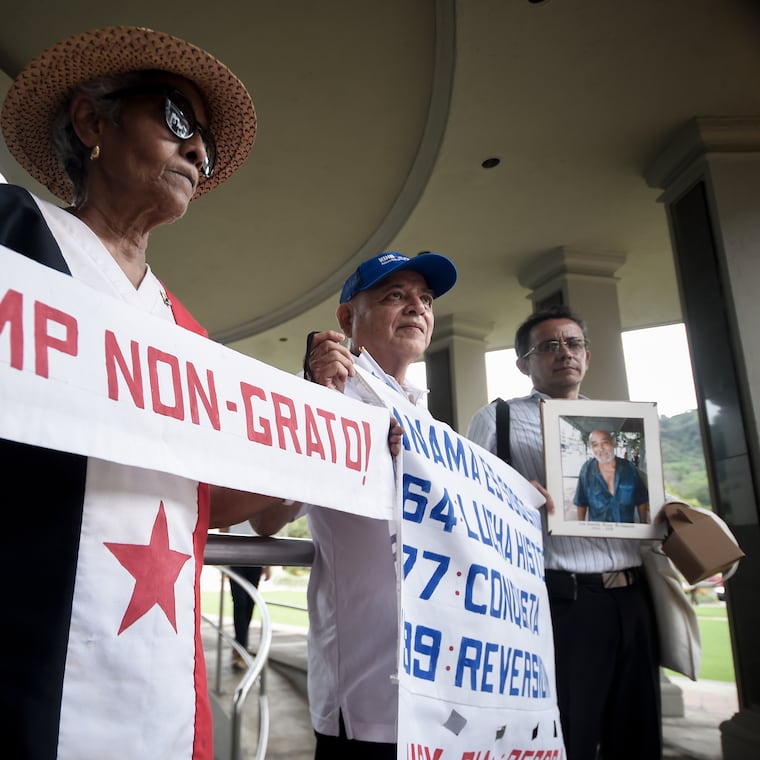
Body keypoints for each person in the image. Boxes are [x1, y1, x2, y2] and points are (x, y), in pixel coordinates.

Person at [0, 25, 285, 759]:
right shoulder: (12, 239)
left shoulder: (189, 334)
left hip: (159, 684)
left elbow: (202, 500)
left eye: (206, 146)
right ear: (94, 123)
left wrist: (327, 457)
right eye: (179, 120)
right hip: (24, 668)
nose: (197, 151)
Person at [251, 250, 458, 759]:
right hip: (364, 699)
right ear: (347, 319)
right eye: (395, 295)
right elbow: (266, 517)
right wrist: (314, 401)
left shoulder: (438, 431)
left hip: (445, 700)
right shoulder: (326, 403)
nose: (417, 308)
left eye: (425, 299)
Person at [466, 305, 661, 760]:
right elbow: (470, 498)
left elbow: (646, 502)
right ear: (523, 363)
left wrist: (666, 512)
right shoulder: (499, 419)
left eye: (573, 343)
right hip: (564, 602)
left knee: (637, 731)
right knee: (568, 729)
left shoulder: (620, 425)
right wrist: (513, 492)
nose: (564, 353)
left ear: (587, 357)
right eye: (548, 346)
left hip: (632, 597)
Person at [574, 429, 649, 523]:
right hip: (598, 533)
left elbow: (641, 499)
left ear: (613, 443)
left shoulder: (629, 468)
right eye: (595, 445)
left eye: (605, 443)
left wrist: (644, 525)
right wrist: (581, 529)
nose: (601, 448)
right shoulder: (586, 470)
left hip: (626, 531)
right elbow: (581, 502)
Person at [225, 520, 271, 670]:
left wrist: (268, 564)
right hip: (234, 553)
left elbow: (268, 527)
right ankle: (241, 648)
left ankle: (241, 645)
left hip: (257, 553)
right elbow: (225, 525)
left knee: (250, 603)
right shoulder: (233, 496)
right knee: (240, 602)